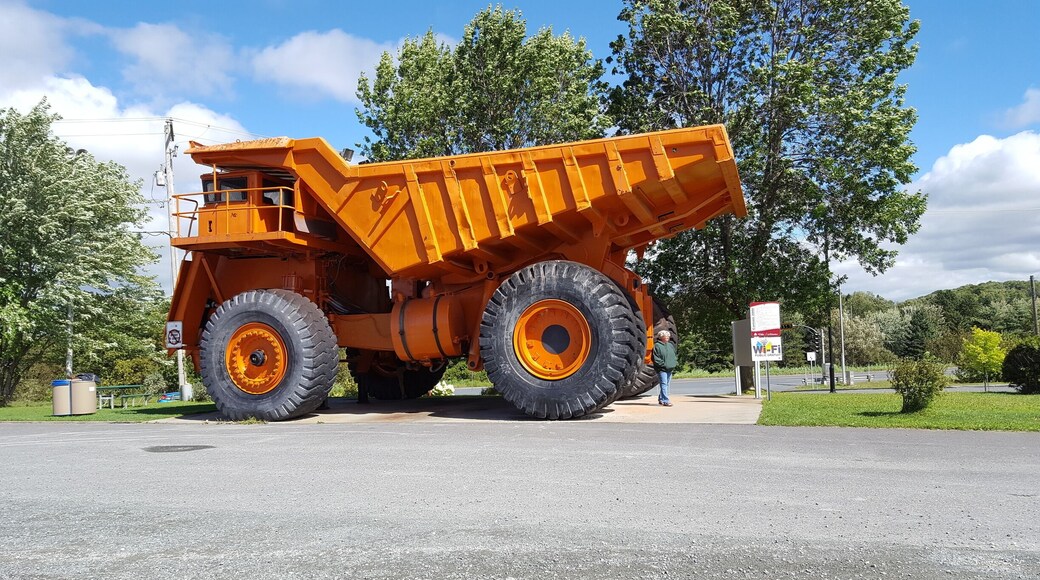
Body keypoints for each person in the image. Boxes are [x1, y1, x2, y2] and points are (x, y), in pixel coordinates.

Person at [652, 329, 677, 407]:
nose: (667, 337)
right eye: (666, 336)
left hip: (670, 368)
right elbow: (656, 358)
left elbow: (674, 355)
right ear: (661, 337)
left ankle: (661, 399)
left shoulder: (670, 345)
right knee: (664, 384)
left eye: (668, 336)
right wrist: (664, 365)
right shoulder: (657, 346)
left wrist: (674, 362)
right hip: (662, 369)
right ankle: (666, 400)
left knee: (666, 384)